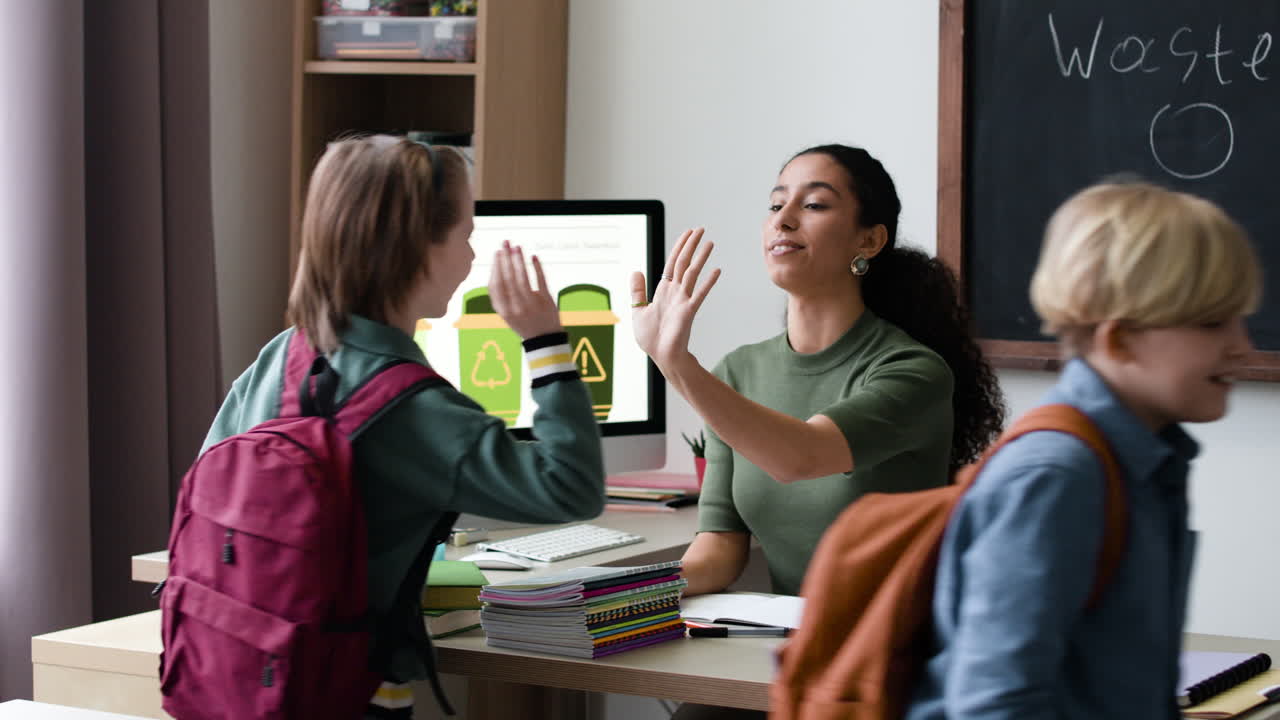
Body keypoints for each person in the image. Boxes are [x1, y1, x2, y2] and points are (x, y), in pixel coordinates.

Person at [200, 134, 606, 718]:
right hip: (351, 696)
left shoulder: (280, 357)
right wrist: (544, 342)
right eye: (466, 234)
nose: (471, 257)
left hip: (239, 677)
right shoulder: (410, 407)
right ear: (419, 247)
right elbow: (572, 487)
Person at [904, 181, 1261, 719]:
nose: (1243, 346)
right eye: (1213, 322)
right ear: (1118, 340)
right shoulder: (1056, 476)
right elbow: (994, 707)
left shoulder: (1148, 460)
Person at [630, 144, 1005, 600]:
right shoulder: (738, 372)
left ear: (868, 241)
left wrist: (675, 363)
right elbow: (720, 549)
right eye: (775, 204)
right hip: (793, 644)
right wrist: (619, 595)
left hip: (896, 650)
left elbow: (800, 457)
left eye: (813, 204)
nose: (783, 219)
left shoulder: (914, 372)